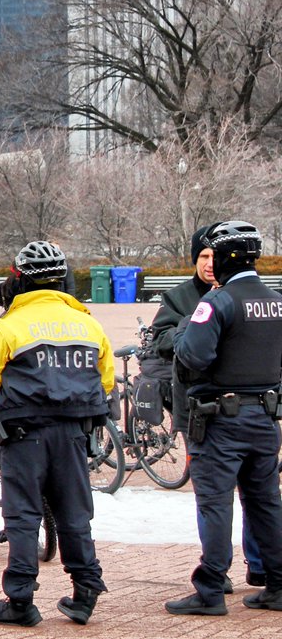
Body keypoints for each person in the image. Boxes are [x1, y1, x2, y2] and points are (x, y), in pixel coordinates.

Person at [0, 241, 113, 627]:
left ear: (19, 280)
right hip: (73, 435)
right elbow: (107, 381)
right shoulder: (88, 324)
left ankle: (20, 602)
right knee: (74, 514)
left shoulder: (8, 326)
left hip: (24, 434)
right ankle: (85, 593)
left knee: (22, 516)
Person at [166, 220, 282, 616]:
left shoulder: (217, 302)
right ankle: (278, 586)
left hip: (220, 421)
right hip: (265, 418)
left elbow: (193, 355)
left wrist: (183, 329)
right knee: (265, 503)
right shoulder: (276, 300)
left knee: (215, 504)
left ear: (228, 257)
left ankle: (210, 590)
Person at [149, 225, 264, 591]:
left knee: (250, 496)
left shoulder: (236, 296)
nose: (210, 264)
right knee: (222, 498)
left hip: (235, 410)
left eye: (215, 257)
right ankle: (224, 572)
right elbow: (162, 340)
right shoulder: (180, 297)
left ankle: (250, 567)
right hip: (198, 409)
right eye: (203, 257)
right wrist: (193, 325)